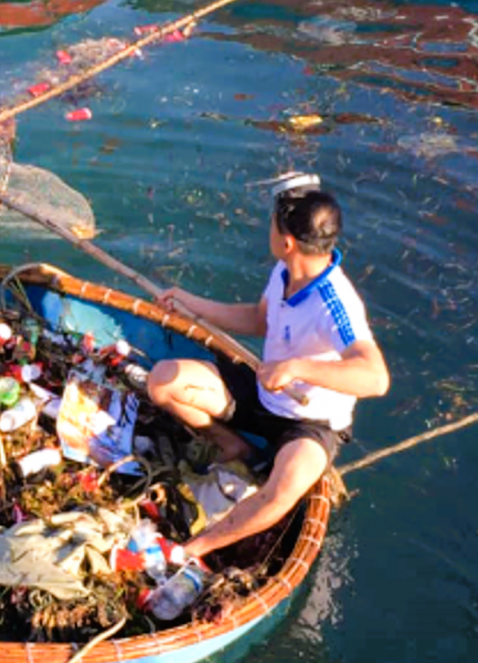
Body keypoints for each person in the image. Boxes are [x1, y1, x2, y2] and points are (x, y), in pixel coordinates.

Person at [146, 173, 389, 559]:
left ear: (288, 242)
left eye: (272, 224)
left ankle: (196, 547)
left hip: (309, 425)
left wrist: (297, 368)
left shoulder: (335, 303)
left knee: (282, 491)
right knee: (161, 382)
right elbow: (259, 321)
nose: (268, 230)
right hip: (262, 392)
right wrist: (191, 305)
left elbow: (375, 377)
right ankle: (234, 445)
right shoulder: (285, 271)